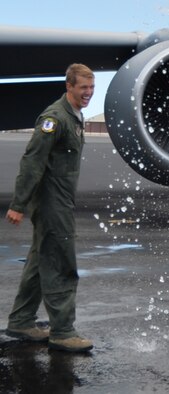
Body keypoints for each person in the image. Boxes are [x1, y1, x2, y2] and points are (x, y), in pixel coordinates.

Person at [5, 63, 95, 352]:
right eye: (83, 88)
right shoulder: (55, 118)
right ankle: (62, 331)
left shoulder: (74, 116)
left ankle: (21, 320)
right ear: (69, 86)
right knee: (60, 261)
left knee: (39, 258)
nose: (88, 93)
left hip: (60, 198)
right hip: (51, 201)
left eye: (91, 88)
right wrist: (18, 204)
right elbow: (32, 161)